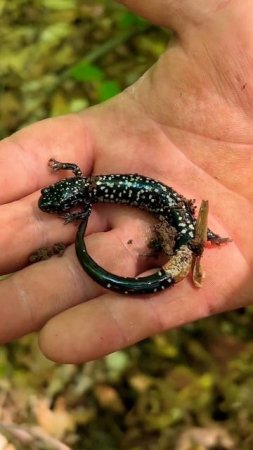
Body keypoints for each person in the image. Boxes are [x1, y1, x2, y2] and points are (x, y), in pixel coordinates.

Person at [0, 0, 252, 363]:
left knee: (182, 241)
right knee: (183, 234)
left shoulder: (86, 197)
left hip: (176, 223)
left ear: (71, 199)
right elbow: (73, 175)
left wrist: (77, 217)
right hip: (175, 214)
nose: (56, 206)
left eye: (56, 203)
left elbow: (80, 199)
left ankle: (199, 245)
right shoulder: (82, 181)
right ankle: (201, 242)